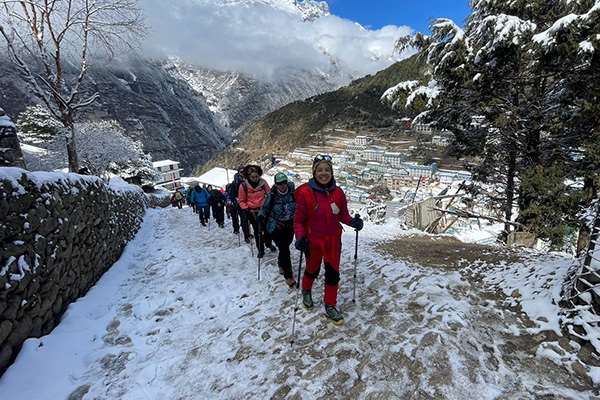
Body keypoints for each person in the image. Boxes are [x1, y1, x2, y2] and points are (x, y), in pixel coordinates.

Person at [293, 154, 363, 325]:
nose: (323, 173)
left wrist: (353, 221)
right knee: (312, 269)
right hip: (313, 241)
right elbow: (299, 220)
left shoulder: (338, 193)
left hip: (333, 241)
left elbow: (343, 215)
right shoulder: (304, 192)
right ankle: (306, 290)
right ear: (314, 172)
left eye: (327, 170)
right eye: (319, 170)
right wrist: (300, 237)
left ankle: (330, 304)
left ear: (331, 172)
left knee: (333, 273)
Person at [259, 172, 296, 287]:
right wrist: (260, 218)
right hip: (276, 226)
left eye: (284, 182)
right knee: (285, 249)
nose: (282, 185)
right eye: (279, 183)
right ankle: (288, 276)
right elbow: (264, 209)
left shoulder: (293, 193)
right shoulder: (272, 195)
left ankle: (281, 264)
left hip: (290, 225)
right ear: (276, 184)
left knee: (285, 246)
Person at [238, 164, 270, 256]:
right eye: (253, 177)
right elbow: (242, 201)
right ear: (248, 176)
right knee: (257, 231)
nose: (255, 178)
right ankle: (261, 250)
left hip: (264, 210)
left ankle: (268, 243)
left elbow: (269, 194)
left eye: (257, 176)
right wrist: (246, 208)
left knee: (268, 229)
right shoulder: (243, 186)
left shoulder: (263, 183)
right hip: (252, 212)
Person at [227, 166, 247, 237]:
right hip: (237, 202)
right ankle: (236, 230)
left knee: (245, 219)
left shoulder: (247, 180)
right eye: (241, 171)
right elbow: (231, 194)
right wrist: (235, 200)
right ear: (238, 172)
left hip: (245, 202)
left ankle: (246, 233)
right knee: (236, 218)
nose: (243, 173)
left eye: (244, 171)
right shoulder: (235, 182)